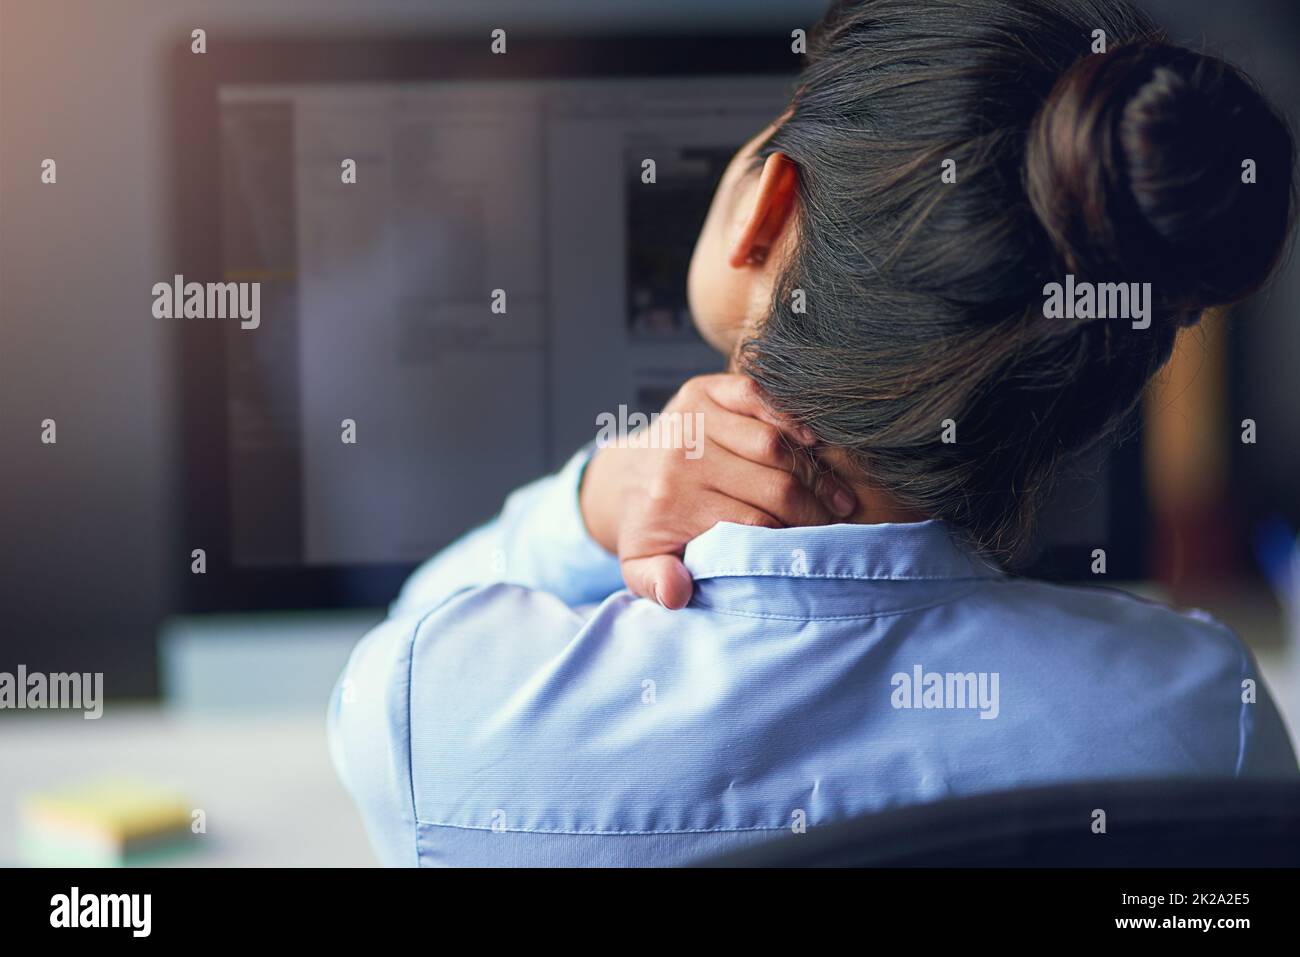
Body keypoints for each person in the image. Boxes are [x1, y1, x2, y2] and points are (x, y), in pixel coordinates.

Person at [329, 0, 1298, 866]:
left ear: (772, 203)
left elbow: (406, 645)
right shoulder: (1208, 723)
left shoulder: (447, 718)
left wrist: (591, 503)